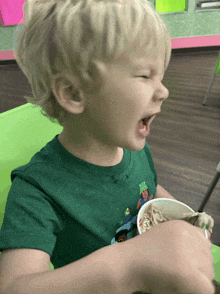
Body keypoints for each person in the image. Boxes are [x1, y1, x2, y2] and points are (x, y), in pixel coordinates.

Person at [0, 0, 215, 293]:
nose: (164, 91)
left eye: (161, 76)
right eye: (145, 75)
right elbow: (14, 287)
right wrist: (127, 267)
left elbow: (148, 188)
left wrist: (181, 217)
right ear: (74, 93)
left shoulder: (135, 150)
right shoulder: (37, 191)